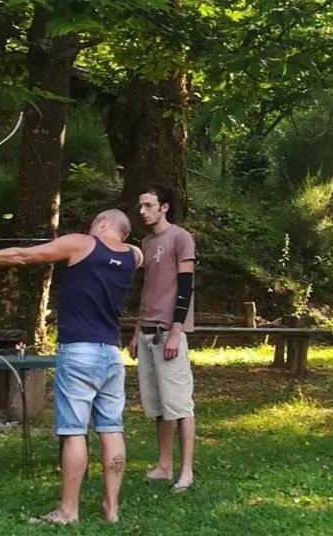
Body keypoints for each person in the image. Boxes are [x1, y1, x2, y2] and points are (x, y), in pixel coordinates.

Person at [0, 209, 142, 524]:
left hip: (80, 352)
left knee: (73, 433)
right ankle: (112, 508)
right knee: (111, 429)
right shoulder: (134, 256)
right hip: (110, 354)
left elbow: (26, 256)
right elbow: (132, 252)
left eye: (93, 222)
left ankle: (68, 511)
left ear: (103, 223)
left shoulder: (82, 243)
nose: (89, 226)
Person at [128, 184, 196, 493]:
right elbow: (147, 290)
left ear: (164, 207)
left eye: (147, 205)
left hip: (169, 332)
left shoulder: (180, 238)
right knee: (157, 405)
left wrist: (176, 331)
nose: (142, 210)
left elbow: (185, 288)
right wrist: (135, 330)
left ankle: (186, 471)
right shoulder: (146, 241)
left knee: (179, 405)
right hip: (146, 331)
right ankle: (164, 465)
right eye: (140, 205)